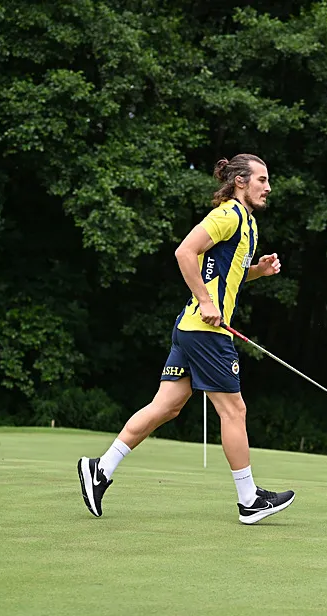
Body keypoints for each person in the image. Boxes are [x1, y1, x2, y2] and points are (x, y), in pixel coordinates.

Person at [78, 154, 295, 524]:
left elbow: (226, 274)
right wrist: (207, 302)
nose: (268, 187)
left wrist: (257, 271)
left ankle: (100, 469)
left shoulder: (248, 223)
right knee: (234, 411)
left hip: (191, 328)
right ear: (241, 181)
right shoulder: (228, 215)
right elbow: (185, 252)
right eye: (262, 179)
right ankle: (249, 500)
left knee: (167, 406)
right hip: (206, 331)